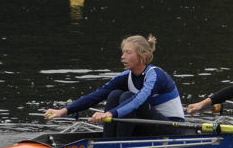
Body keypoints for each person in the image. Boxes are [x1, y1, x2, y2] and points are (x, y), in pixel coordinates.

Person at [44, 34, 184, 137]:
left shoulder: (155, 75)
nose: (122, 57)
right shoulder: (126, 76)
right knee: (114, 94)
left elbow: (138, 101)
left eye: (128, 53)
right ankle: (108, 140)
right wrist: (62, 111)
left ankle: (120, 143)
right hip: (148, 124)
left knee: (128, 96)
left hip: (170, 127)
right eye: (123, 52)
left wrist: (109, 114)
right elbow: (96, 96)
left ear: (144, 55)